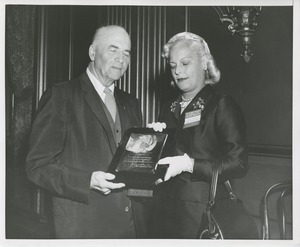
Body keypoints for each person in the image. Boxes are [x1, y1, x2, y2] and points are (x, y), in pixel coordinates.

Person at [26, 25, 144, 238]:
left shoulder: (131, 103)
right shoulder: (61, 95)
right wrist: (88, 180)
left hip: (130, 227)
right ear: (92, 52)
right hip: (84, 228)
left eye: (126, 53)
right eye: (113, 49)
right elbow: (37, 166)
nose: (121, 58)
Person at [148, 32, 248, 238]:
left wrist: (190, 165)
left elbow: (239, 164)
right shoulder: (168, 107)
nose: (178, 71)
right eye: (173, 66)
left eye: (185, 63)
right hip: (163, 213)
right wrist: (152, 142)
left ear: (204, 63)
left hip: (201, 216)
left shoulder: (221, 104)